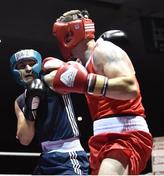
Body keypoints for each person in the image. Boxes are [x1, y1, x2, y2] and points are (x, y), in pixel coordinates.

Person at [42, 10, 153, 175]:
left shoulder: (104, 51)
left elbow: (130, 88)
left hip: (127, 133)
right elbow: (55, 78)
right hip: (102, 136)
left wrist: (88, 83)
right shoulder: (80, 64)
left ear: (68, 34)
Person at [9, 49, 89, 175]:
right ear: (15, 71)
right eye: (22, 66)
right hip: (45, 159)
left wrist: (59, 64)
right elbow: (25, 140)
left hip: (69, 155)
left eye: (31, 63)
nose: (28, 68)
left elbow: (77, 72)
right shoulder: (20, 101)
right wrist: (31, 109)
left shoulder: (53, 80)